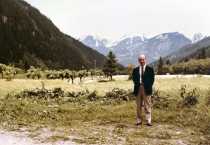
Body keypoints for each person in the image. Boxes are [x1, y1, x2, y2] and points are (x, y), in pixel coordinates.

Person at [132, 54, 155, 126]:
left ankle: (148, 121)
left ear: (145, 60)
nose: (142, 61)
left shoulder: (150, 69)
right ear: (138, 61)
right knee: (138, 106)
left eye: (143, 59)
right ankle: (139, 121)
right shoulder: (135, 70)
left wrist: (147, 85)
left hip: (147, 88)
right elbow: (134, 80)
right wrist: (139, 85)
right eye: (140, 60)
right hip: (138, 88)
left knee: (147, 105)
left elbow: (152, 80)